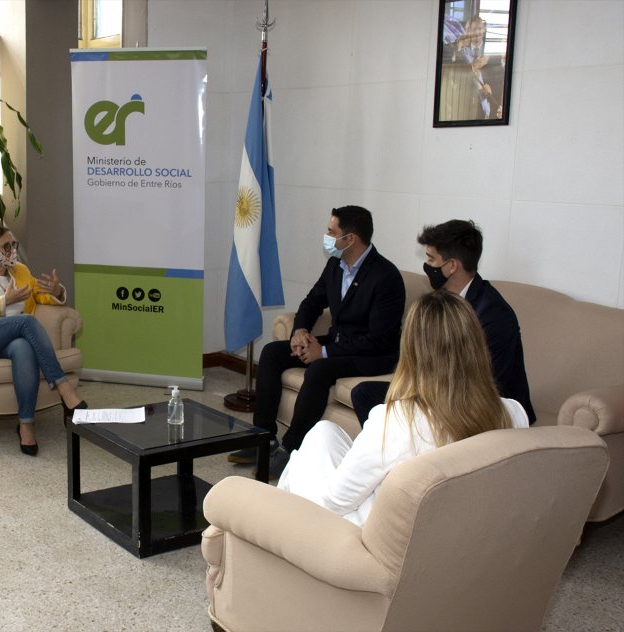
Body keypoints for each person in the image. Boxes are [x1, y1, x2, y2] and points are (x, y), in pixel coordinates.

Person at [278, 290, 530, 526]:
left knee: (300, 465)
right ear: (476, 345)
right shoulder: (513, 412)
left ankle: (274, 525)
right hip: (455, 526)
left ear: (412, 351)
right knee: (324, 433)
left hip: (377, 534)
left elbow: (333, 503)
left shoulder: (397, 420)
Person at [228, 205, 405, 479]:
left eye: (331, 232)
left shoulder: (386, 276)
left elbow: (379, 339)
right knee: (273, 352)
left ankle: (291, 448)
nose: (327, 236)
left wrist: (323, 351)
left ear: (351, 239)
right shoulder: (336, 264)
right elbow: (312, 302)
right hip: (338, 342)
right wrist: (300, 331)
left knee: (320, 369)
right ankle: (263, 437)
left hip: (371, 354)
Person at [351, 219, 535, 426]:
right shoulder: (442, 301)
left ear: (452, 265)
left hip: (486, 406)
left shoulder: (493, 314)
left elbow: (489, 384)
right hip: (443, 392)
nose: (427, 267)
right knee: (364, 394)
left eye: (431, 259)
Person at [0, 224, 87, 455]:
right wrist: (4, 301)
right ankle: (64, 388)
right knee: (26, 321)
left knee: (23, 347)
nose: (12, 251)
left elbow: (41, 296)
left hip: (10, 342)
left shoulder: (21, 272)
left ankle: (26, 425)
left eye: (13, 245)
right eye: (5, 246)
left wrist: (56, 291)